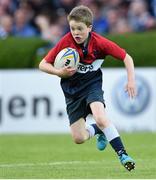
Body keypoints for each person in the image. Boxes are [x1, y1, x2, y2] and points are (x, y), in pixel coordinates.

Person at [39, 5, 137, 171]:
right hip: (72, 91)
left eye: (80, 29)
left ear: (89, 27)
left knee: (100, 116)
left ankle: (123, 154)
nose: (75, 32)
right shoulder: (66, 41)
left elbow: (127, 58)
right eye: (72, 28)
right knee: (79, 138)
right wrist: (59, 72)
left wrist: (131, 81)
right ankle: (98, 130)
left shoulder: (100, 43)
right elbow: (43, 64)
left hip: (92, 85)